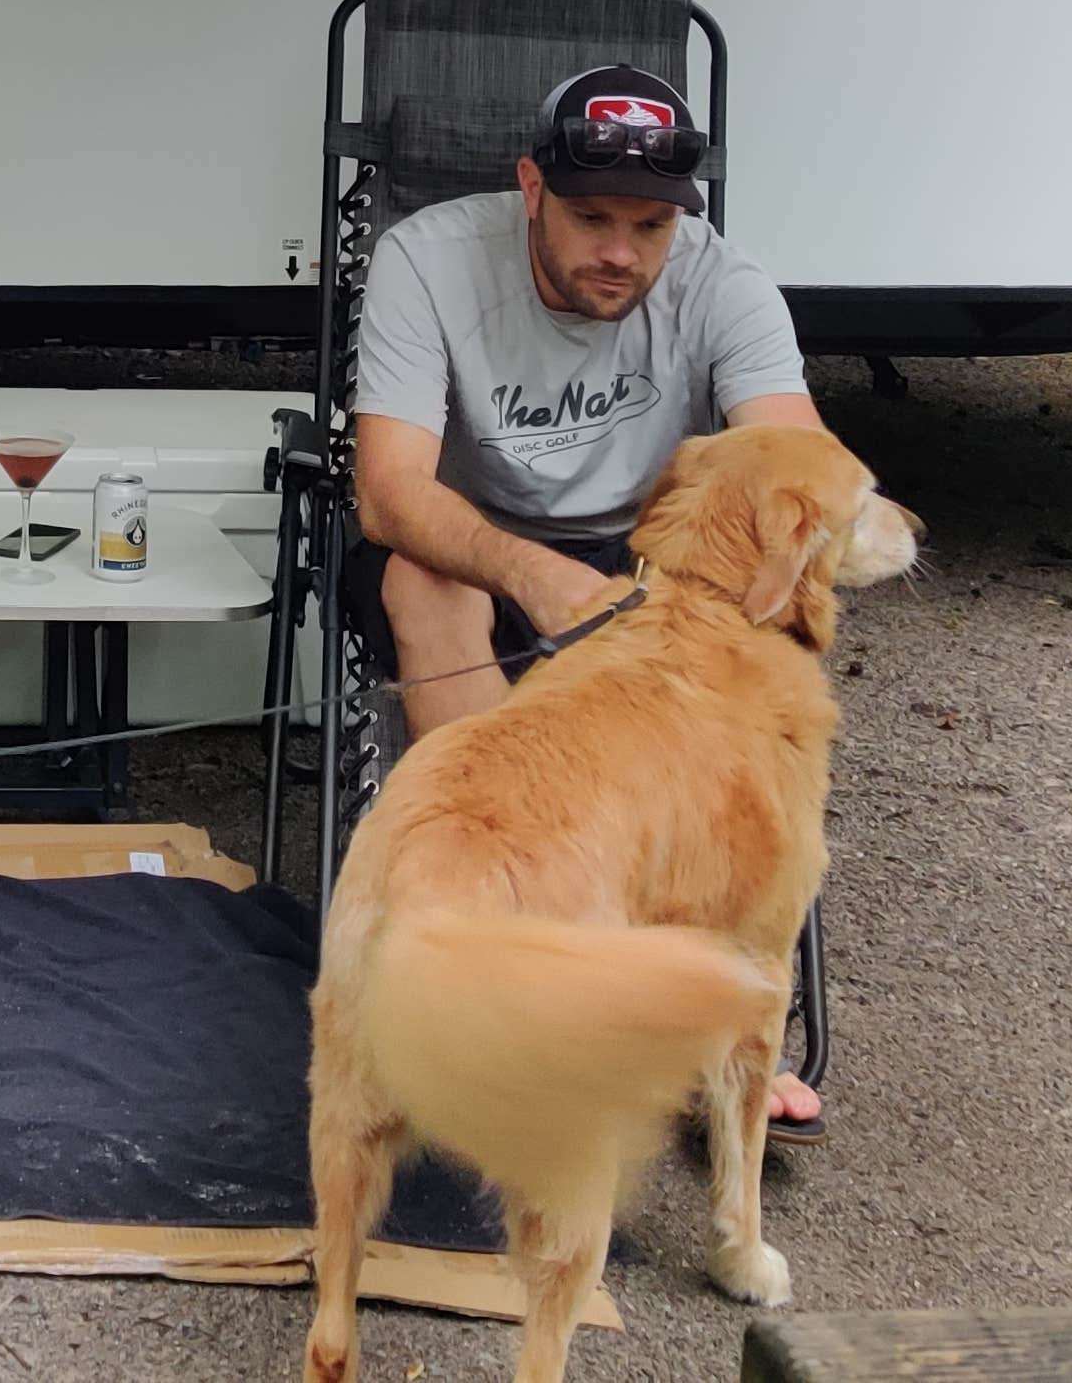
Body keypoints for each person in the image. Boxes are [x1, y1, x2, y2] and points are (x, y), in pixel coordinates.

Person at [343, 58, 826, 1135]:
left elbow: (796, 463)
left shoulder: (719, 278)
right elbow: (388, 491)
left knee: (754, 625)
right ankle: (497, 954)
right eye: (590, 217)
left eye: (649, 228)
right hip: (469, 541)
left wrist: (742, 583)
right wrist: (532, 570)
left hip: (648, 556)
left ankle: (697, 1001)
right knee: (420, 578)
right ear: (529, 188)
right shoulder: (428, 258)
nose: (619, 253)